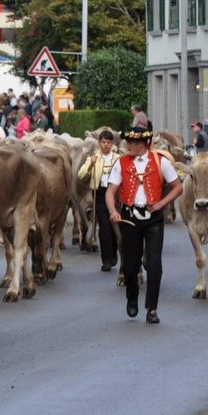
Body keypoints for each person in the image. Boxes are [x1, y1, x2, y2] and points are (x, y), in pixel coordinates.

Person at [105, 126, 183, 324]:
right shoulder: (121, 163)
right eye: (128, 142)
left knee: (155, 264)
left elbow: (177, 187)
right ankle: (132, 296)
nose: (128, 145)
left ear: (142, 144)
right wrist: (113, 211)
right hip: (129, 217)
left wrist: (160, 204)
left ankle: (152, 309)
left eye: (131, 142)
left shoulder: (160, 161)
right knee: (130, 266)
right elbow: (110, 191)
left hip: (154, 218)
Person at [77, 130, 120, 272]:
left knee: (115, 227)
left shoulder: (118, 159)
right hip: (100, 194)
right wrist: (90, 165)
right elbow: (81, 176)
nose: (106, 145)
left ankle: (114, 253)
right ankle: (106, 260)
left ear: (112, 143)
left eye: (108, 142)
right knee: (104, 227)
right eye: (103, 142)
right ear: (99, 143)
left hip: (115, 195)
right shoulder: (94, 158)